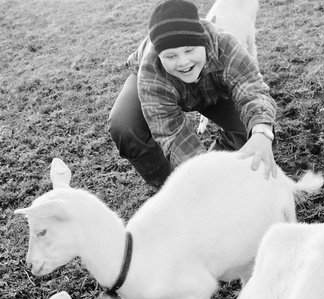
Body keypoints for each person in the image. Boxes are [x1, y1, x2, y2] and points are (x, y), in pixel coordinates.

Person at [109, 0, 277, 188]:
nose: (182, 62)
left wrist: (261, 131)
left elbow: (252, 88)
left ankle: (226, 161)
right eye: (170, 56)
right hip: (164, 85)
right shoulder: (151, 72)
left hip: (213, 86)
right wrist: (203, 180)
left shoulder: (224, 44)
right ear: (159, 55)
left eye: (189, 50)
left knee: (255, 131)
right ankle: (171, 185)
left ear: (203, 42)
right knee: (124, 126)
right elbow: (171, 132)